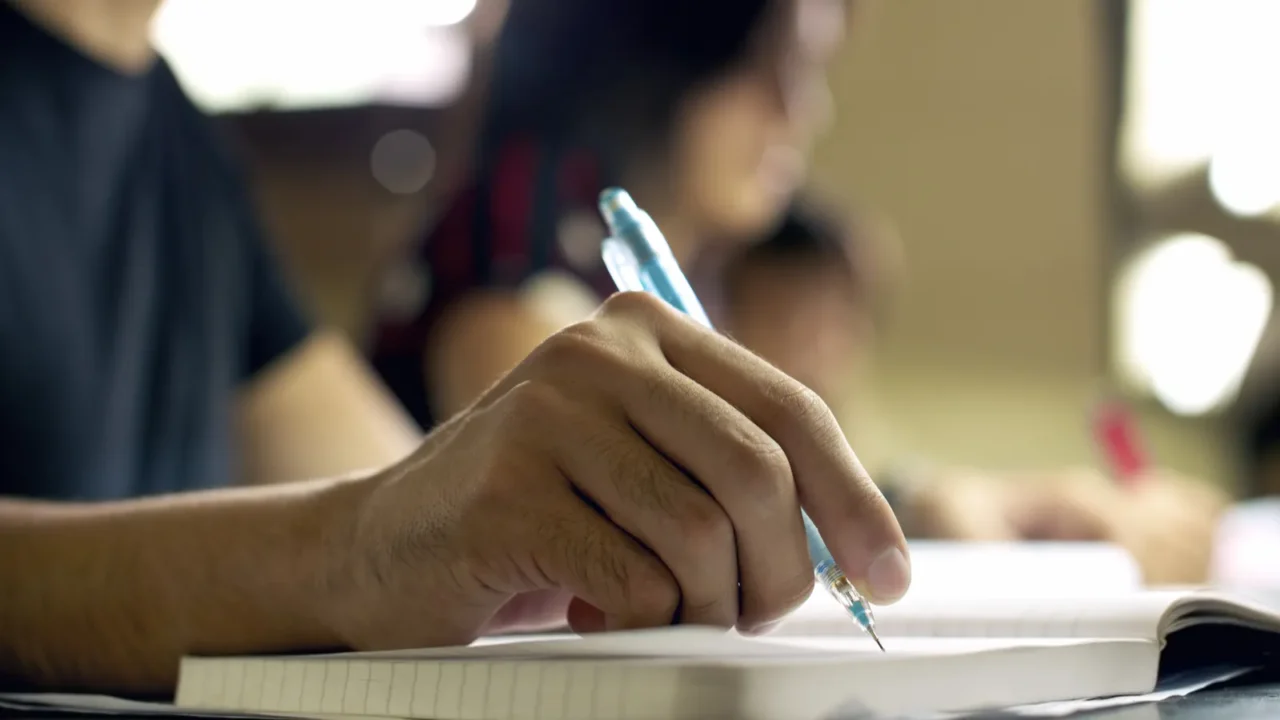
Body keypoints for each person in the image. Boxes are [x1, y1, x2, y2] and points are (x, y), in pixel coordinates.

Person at [0, 0, 911, 696]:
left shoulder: (179, 146)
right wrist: (362, 547)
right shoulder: (520, 227)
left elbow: (407, 494)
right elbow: (373, 534)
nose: (801, 109)